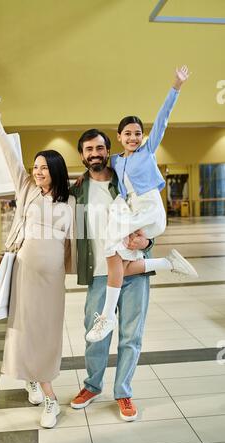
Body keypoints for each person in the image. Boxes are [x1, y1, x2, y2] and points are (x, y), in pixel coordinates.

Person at [84, 66, 198, 343]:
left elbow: (163, 119)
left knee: (112, 248)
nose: (133, 138)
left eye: (137, 133)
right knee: (119, 261)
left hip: (148, 209)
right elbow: (94, 168)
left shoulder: (147, 152)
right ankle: (167, 262)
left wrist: (176, 86)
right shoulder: (117, 161)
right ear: (119, 136)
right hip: (130, 207)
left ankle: (107, 316)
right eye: (128, 134)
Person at [0, 113, 76, 429]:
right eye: (36, 166)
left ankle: (40, 380)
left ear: (55, 171)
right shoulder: (26, 188)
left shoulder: (69, 202)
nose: (38, 171)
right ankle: (45, 392)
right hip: (24, 274)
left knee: (48, 333)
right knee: (24, 329)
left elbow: (71, 245)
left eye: (43, 167)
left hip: (51, 280)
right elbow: (12, 159)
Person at [69, 128, 153, 421]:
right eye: (89, 149)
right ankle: (92, 386)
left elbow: (152, 218)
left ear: (109, 151)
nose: (95, 154)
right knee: (95, 335)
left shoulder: (127, 182)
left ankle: (123, 392)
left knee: (131, 335)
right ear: (82, 155)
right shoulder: (77, 190)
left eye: (100, 148)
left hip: (134, 272)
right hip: (99, 274)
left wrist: (148, 242)